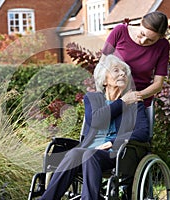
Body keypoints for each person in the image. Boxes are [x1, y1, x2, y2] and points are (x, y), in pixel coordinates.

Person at [39, 54, 150, 200]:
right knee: (75, 153)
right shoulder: (93, 99)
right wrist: (122, 102)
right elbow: (97, 120)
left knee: (88, 154)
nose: (122, 73)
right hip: (88, 150)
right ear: (104, 80)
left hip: (119, 153)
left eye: (124, 71)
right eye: (116, 70)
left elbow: (143, 132)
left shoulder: (135, 103)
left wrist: (113, 141)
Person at [101, 11, 170, 107]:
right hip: (112, 97)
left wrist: (136, 96)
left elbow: (158, 84)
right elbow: (102, 65)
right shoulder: (120, 31)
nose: (143, 41)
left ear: (160, 38)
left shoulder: (163, 45)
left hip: (138, 101)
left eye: (151, 40)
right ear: (141, 22)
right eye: (142, 34)